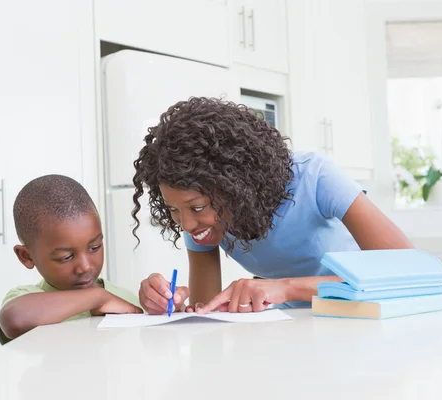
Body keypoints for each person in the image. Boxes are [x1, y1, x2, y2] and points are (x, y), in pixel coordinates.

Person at [132, 97, 413, 314]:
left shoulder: (316, 178)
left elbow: (407, 271)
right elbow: (207, 309)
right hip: (292, 329)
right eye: (173, 209)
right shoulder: (202, 219)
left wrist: (286, 288)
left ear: (235, 184)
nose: (186, 224)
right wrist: (172, 303)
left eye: (195, 208)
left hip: (364, 318)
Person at [0, 174, 142, 345]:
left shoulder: (123, 297)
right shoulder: (26, 297)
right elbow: (14, 319)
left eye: (94, 247)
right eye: (65, 257)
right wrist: (98, 298)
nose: (85, 267)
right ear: (26, 256)